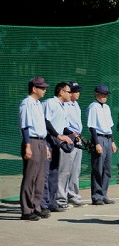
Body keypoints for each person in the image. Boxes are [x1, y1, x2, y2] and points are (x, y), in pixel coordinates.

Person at [19, 77, 50, 221]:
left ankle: (36, 206)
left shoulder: (38, 104)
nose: (44, 90)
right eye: (42, 88)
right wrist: (27, 146)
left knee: (40, 177)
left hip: (41, 141)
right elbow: (25, 126)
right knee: (30, 177)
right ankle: (26, 210)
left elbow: (41, 126)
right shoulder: (27, 103)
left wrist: (45, 146)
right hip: (31, 141)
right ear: (34, 88)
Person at [42, 82, 74, 213]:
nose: (70, 94)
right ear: (61, 92)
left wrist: (72, 134)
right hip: (47, 140)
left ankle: (52, 203)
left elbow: (63, 126)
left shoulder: (63, 106)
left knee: (54, 172)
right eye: (68, 92)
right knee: (45, 173)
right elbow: (46, 122)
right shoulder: (50, 103)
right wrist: (58, 136)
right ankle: (43, 204)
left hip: (56, 141)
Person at [87, 84, 118, 206]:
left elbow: (109, 126)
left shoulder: (106, 107)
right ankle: (96, 196)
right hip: (99, 138)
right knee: (97, 169)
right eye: (103, 94)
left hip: (108, 138)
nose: (105, 96)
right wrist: (96, 143)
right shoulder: (93, 107)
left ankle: (104, 194)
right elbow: (92, 126)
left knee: (107, 169)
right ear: (97, 94)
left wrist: (113, 141)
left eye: (106, 94)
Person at [57, 81, 87, 208]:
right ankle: (60, 199)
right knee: (65, 170)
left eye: (78, 91)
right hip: (68, 138)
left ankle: (73, 196)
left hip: (77, 138)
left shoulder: (76, 105)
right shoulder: (64, 105)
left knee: (76, 170)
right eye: (75, 91)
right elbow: (63, 125)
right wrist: (72, 134)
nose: (77, 93)